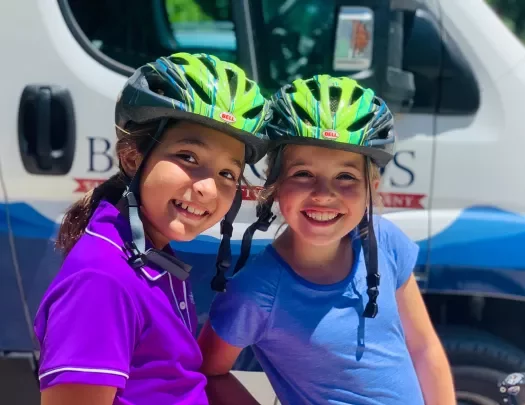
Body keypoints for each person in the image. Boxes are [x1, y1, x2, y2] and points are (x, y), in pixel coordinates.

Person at [198, 74, 456, 405]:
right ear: (274, 184)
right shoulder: (254, 291)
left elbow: (423, 347)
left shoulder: (383, 241)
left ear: (371, 190)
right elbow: (207, 372)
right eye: (303, 174)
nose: (324, 194)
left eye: (346, 177)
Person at [33, 52, 272, 405]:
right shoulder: (103, 279)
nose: (207, 188)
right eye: (188, 157)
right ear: (133, 159)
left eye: (227, 174)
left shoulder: (150, 255)